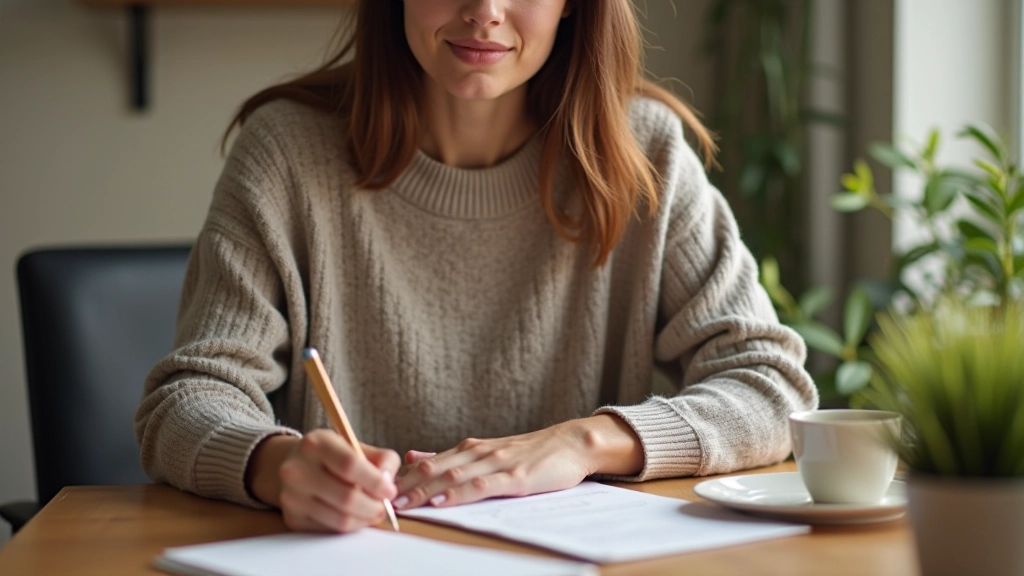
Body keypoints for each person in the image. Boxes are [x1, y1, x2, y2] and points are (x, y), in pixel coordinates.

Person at [135, 0, 817, 534]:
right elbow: (187, 400)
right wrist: (279, 468)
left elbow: (772, 388)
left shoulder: (646, 154)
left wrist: (583, 442)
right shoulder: (285, 154)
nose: (485, 9)